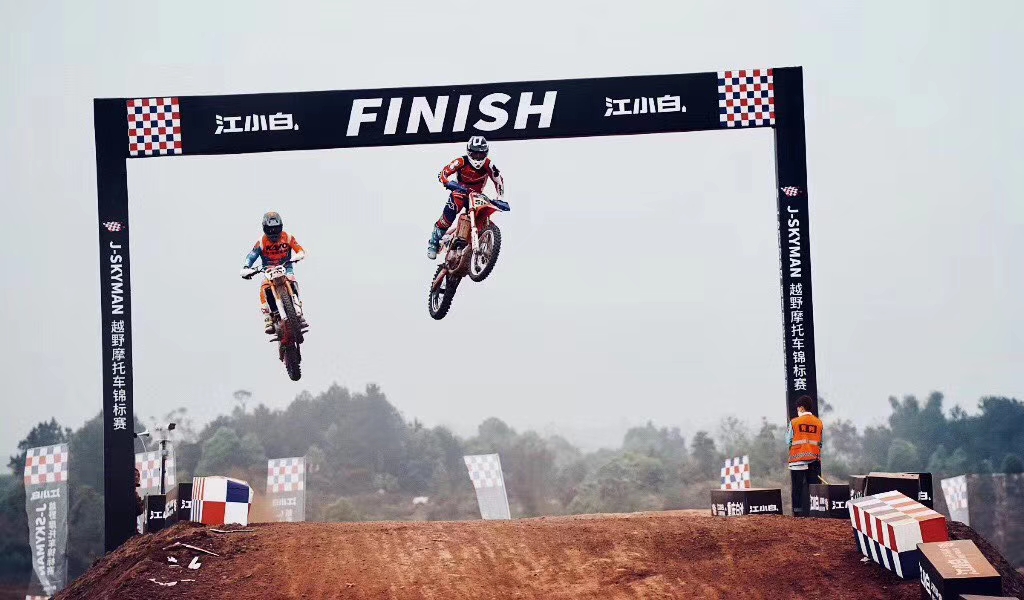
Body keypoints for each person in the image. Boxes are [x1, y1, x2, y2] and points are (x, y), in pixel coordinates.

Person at [427, 136, 505, 259]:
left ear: (486, 153)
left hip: (476, 196)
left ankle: (477, 241)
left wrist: (499, 198)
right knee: (448, 216)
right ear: (469, 152)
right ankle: (434, 243)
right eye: (475, 154)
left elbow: (498, 181)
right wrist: (448, 183)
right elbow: (443, 173)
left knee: (484, 216)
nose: (478, 158)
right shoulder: (460, 161)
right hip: (460, 192)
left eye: (481, 154)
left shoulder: (489, 165)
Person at [240, 211, 307, 334]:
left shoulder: (288, 237)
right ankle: (268, 319)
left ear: (281, 227)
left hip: (286, 267)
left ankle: (299, 310)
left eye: (276, 229)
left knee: (292, 280)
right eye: (270, 229)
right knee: (264, 287)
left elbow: (299, 249)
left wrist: (299, 255)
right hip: (268, 269)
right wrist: (246, 267)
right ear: (265, 228)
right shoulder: (261, 242)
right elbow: (252, 255)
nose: (273, 232)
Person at [787, 395, 823, 517]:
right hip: (814, 459)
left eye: (798, 408)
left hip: (798, 460)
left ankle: (797, 513)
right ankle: (816, 512)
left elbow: (788, 440)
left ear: (801, 408)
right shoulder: (819, 422)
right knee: (813, 487)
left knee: (797, 487)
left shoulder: (794, 422)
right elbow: (820, 441)